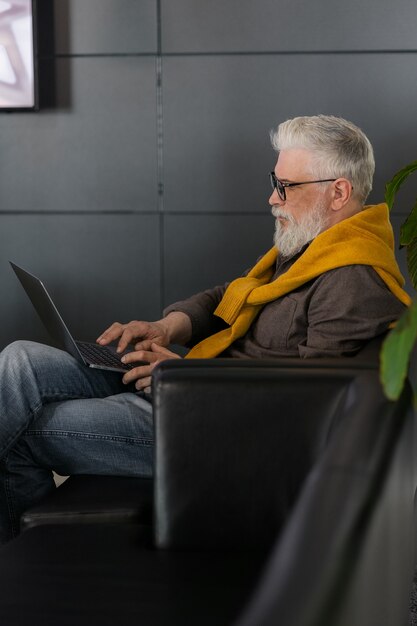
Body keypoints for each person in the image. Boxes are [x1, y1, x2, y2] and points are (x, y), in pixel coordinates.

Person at [0, 115, 411, 543]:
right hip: (195, 388)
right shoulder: (316, 246)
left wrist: (181, 375)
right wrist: (165, 328)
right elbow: (230, 295)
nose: (272, 197)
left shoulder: (353, 278)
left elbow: (306, 403)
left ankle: (19, 567)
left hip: (214, 428)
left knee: (25, 432)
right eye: (276, 180)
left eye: (286, 186)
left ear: (338, 192)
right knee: (20, 360)